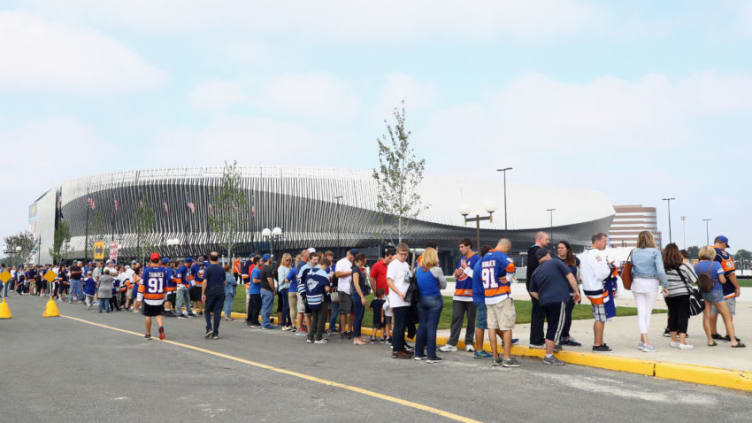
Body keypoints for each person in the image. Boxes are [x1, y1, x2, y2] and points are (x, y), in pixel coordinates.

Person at [528, 248, 581, 366]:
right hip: (559, 299)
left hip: (545, 302)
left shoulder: (536, 271)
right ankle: (549, 355)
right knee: (556, 328)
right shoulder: (556, 262)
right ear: (547, 255)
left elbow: (531, 291)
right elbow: (570, 276)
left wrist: (541, 298)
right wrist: (576, 291)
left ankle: (551, 350)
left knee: (552, 327)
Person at [695, 246, 744, 348]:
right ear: (711, 254)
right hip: (716, 292)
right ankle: (733, 341)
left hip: (704, 292)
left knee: (706, 317)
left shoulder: (696, 266)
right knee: (727, 317)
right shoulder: (716, 264)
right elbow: (723, 280)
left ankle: (710, 340)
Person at [481, 238, 519, 367]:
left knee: (492, 327)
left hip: (488, 296)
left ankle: (495, 357)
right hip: (501, 295)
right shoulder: (502, 256)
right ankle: (507, 358)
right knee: (506, 327)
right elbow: (511, 265)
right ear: (506, 247)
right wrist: (508, 277)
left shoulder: (486, 256)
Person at [629, 231, 667, 352]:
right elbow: (660, 271)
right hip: (651, 283)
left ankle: (642, 340)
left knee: (641, 311)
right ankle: (645, 340)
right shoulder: (655, 252)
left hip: (637, 283)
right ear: (651, 239)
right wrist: (665, 284)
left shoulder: (634, 251)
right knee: (647, 313)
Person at [441, 239, 480, 353]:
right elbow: (458, 275)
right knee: (456, 319)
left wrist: (466, 268)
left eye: (462, 246)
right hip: (458, 295)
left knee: (471, 320)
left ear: (469, 247)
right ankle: (452, 343)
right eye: (459, 247)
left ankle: (469, 342)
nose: (460, 249)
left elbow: (477, 276)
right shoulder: (461, 259)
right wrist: (456, 274)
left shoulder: (477, 259)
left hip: (471, 296)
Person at [580, 233, 614, 351]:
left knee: (599, 317)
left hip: (588, 288)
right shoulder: (597, 255)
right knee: (600, 318)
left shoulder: (585, 254)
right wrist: (610, 269)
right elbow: (602, 274)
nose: (606, 243)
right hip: (596, 289)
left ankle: (600, 341)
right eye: (605, 241)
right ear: (598, 241)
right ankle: (597, 344)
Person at [415, 247, 447, 363]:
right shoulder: (436, 270)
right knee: (432, 327)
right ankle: (431, 355)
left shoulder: (418, 269)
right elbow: (444, 285)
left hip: (421, 299)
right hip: (434, 298)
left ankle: (418, 353)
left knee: (422, 326)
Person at [662, 243, 696, 349]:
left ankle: (673, 340)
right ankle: (682, 341)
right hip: (682, 294)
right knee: (683, 316)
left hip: (669, 294)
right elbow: (694, 279)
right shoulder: (684, 265)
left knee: (672, 315)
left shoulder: (663, 267)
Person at [710, 236, 742, 343]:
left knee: (712, 312)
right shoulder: (723, 254)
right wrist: (737, 287)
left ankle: (713, 333)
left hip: (710, 288)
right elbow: (730, 273)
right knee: (728, 313)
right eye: (725, 246)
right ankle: (729, 334)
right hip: (725, 289)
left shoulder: (705, 253)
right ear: (723, 243)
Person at [387, 243, 413, 358]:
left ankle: (401, 346)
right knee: (399, 325)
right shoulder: (394, 265)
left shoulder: (406, 265)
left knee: (403, 325)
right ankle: (397, 349)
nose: (403, 257)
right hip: (398, 300)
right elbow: (389, 281)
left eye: (405, 255)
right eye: (401, 254)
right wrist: (399, 293)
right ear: (397, 253)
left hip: (406, 299)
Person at [556, 241, 582, 347]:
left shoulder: (574, 260)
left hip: (573, 291)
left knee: (568, 315)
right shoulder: (555, 260)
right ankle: (560, 337)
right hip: (560, 291)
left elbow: (579, 271)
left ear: (567, 249)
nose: (559, 249)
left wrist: (578, 283)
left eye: (562, 248)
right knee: (562, 316)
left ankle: (565, 336)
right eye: (558, 248)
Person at [527, 232, 551, 349]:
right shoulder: (535, 251)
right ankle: (536, 340)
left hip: (536, 286)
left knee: (539, 313)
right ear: (540, 239)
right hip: (536, 287)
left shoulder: (534, 251)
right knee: (538, 313)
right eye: (546, 239)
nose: (548, 241)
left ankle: (538, 338)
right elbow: (535, 269)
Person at [138, 253, 167, 340]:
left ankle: (148, 334)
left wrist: (139, 298)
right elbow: (165, 285)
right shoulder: (163, 270)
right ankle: (161, 327)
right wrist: (165, 297)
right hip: (159, 297)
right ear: (159, 261)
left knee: (148, 316)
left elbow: (142, 284)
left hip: (149, 298)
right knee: (158, 314)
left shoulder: (146, 271)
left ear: (150, 261)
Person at [305, 254, 330, 344]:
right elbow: (326, 288)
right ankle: (318, 338)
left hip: (311, 299)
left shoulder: (310, 271)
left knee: (314, 317)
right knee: (321, 318)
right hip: (321, 298)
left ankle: (310, 337)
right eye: (327, 267)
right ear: (324, 265)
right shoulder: (323, 274)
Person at [202, 252, 226, 339]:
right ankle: (216, 333)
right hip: (220, 291)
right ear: (218, 258)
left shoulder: (208, 269)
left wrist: (203, 293)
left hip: (211, 291)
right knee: (217, 312)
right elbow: (224, 282)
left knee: (207, 310)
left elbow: (205, 281)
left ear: (209, 258)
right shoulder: (222, 269)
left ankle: (209, 328)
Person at [335, 249, 357, 338]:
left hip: (353, 289)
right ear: (351, 255)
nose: (354, 258)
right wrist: (350, 273)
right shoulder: (341, 262)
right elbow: (337, 274)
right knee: (344, 311)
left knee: (352, 311)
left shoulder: (354, 263)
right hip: (344, 289)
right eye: (354, 256)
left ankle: (349, 330)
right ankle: (343, 330)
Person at [351, 253, 370, 345]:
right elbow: (356, 284)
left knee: (360, 316)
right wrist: (362, 296)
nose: (365, 261)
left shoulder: (359, 269)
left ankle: (359, 336)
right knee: (358, 316)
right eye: (364, 259)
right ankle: (356, 337)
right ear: (359, 260)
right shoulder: (355, 270)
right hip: (357, 295)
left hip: (360, 294)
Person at [259, 254, 276, 330]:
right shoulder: (268, 269)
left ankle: (264, 322)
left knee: (264, 307)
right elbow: (270, 281)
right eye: (270, 258)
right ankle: (265, 324)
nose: (271, 259)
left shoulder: (263, 268)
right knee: (267, 308)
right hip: (267, 291)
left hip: (263, 290)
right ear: (268, 259)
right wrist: (274, 289)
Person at [277, 253, 292, 330]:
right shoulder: (281, 268)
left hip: (290, 288)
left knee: (290, 307)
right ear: (283, 260)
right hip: (284, 288)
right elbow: (280, 281)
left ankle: (290, 323)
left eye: (289, 260)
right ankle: (283, 323)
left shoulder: (290, 268)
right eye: (287, 260)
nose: (288, 262)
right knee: (286, 306)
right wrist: (287, 278)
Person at [248, 256, 263, 327]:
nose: (262, 262)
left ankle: (250, 320)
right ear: (257, 262)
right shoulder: (256, 270)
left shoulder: (256, 269)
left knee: (253, 306)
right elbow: (254, 280)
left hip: (254, 291)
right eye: (261, 261)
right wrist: (263, 280)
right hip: (256, 291)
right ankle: (254, 321)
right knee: (256, 307)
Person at [287, 255, 301, 332]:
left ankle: (293, 325)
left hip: (292, 290)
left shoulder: (293, 270)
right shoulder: (302, 269)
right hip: (300, 290)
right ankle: (300, 325)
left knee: (292, 308)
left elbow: (287, 279)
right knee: (300, 309)